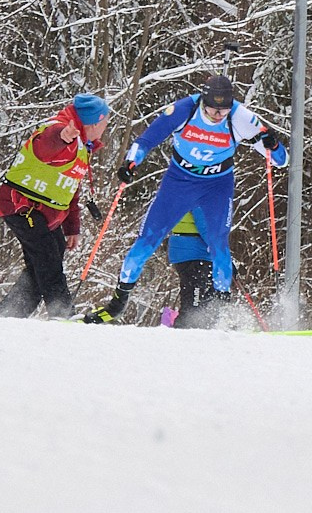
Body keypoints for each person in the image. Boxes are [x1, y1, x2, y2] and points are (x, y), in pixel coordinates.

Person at [83, 73, 285, 324]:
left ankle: (220, 311)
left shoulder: (240, 117)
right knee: (147, 239)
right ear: (203, 100)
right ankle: (117, 303)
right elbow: (146, 140)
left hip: (217, 187)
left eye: (223, 111)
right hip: (179, 183)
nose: (217, 116)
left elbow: (280, 160)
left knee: (219, 244)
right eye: (212, 110)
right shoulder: (183, 110)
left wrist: (273, 144)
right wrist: (131, 162)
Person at [0, 93, 109, 318]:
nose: (106, 128)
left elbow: (69, 188)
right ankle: (63, 315)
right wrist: (63, 137)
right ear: (94, 123)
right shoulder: (62, 131)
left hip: (46, 213)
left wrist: (71, 227)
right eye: (105, 123)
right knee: (49, 263)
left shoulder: (83, 146)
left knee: (41, 269)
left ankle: (7, 317)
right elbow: (46, 146)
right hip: (23, 206)